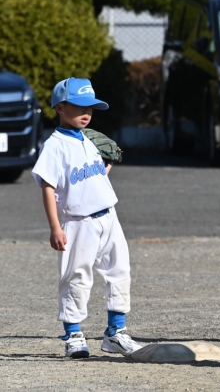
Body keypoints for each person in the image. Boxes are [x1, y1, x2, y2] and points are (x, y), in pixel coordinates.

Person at [31, 78, 141, 359]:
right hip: (78, 222)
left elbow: (91, 177)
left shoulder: (89, 139)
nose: (86, 112)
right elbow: (48, 187)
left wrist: (106, 167)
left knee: (119, 271)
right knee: (76, 277)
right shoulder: (54, 146)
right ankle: (73, 335)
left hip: (109, 217)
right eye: (79, 105)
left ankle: (116, 333)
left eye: (90, 107)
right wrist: (55, 227)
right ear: (59, 107)